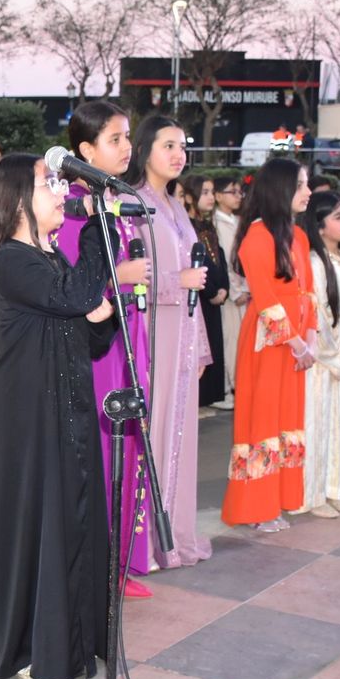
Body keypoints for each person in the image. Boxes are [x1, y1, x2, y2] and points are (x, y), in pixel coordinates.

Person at [0, 153, 114, 679]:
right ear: (15, 200)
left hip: (66, 412)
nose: (60, 193)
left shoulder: (51, 258)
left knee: (72, 520)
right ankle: (42, 649)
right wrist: (99, 225)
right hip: (30, 421)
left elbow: (84, 331)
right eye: (47, 185)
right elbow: (72, 297)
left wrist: (98, 317)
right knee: (44, 526)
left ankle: (77, 641)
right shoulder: (13, 260)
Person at [59, 100, 154, 598]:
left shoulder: (114, 204)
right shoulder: (74, 213)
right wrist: (123, 276)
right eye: (114, 139)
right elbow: (76, 289)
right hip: (98, 351)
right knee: (101, 451)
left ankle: (120, 564)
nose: (126, 148)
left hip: (127, 341)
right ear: (84, 151)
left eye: (126, 137)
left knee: (127, 447)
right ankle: (98, 568)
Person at [124, 114, 211, 567]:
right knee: (153, 433)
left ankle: (172, 533)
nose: (179, 154)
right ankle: (145, 540)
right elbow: (126, 276)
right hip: (152, 330)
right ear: (144, 150)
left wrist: (199, 346)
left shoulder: (176, 206)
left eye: (182, 145)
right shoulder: (132, 202)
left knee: (180, 433)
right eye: (168, 145)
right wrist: (178, 279)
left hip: (183, 332)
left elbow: (193, 280)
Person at [221, 158, 315, 532]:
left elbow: (309, 293)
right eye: (301, 186)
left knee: (286, 421)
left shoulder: (300, 236)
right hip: (267, 344)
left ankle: (277, 501)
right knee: (260, 421)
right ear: (281, 190)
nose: (308, 192)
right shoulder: (258, 237)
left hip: (294, 345)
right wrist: (296, 342)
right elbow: (266, 299)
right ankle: (256, 507)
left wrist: (311, 336)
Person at [297, 192, 340, 518]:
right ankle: (312, 494)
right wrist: (336, 358)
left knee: (335, 424)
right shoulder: (314, 262)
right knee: (316, 424)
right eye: (338, 216)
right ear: (320, 225)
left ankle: (333, 489)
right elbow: (318, 316)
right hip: (320, 361)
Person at [183, 174, 231, 411]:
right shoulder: (187, 226)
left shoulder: (208, 225)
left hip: (214, 298)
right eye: (205, 192)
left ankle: (207, 399)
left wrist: (224, 288)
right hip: (200, 298)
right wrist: (212, 290)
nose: (211, 197)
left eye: (212, 192)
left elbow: (218, 258)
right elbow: (198, 262)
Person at [213, 174, 247, 411]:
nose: (237, 197)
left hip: (243, 290)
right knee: (229, 339)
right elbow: (225, 261)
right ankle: (225, 388)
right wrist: (236, 291)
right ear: (218, 196)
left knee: (239, 341)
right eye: (231, 192)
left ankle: (237, 386)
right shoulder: (217, 223)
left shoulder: (237, 221)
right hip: (230, 293)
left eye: (239, 192)